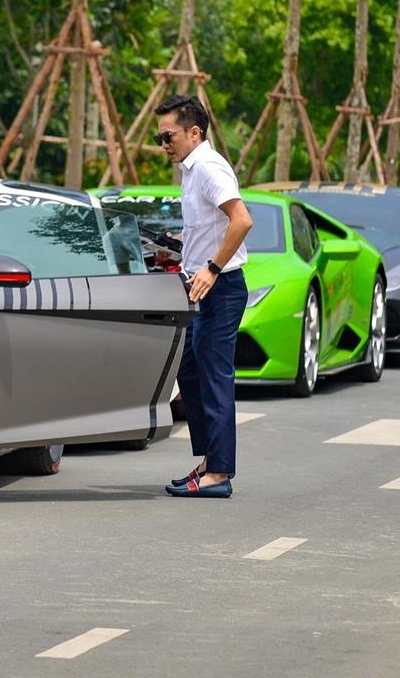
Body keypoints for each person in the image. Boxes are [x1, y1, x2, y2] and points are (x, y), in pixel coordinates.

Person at [153, 94, 253, 499]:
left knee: (214, 379)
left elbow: (241, 220)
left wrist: (211, 268)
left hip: (222, 288)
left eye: (168, 136)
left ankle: (220, 472)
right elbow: (207, 227)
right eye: (158, 137)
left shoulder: (209, 167)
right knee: (190, 371)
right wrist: (176, 247)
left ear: (194, 132)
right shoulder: (190, 170)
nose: (163, 145)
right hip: (202, 287)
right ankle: (211, 460)